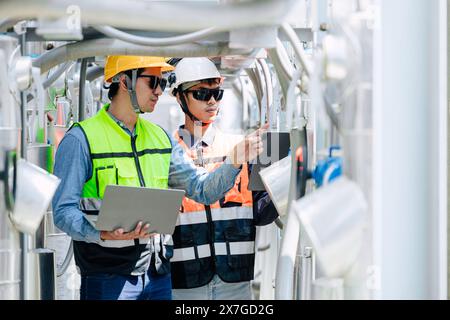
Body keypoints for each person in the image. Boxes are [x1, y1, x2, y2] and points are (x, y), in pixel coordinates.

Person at [51, 55, 265, 300]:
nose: (158, 91)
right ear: (124, 82)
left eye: (162, 83)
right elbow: (62, 211)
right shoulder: (81, 140)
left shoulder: (160, 139)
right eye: (152, 82)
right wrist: (101, 233)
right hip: (107, 276)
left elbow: (202, 189)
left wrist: (235, 160)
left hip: (157, 275)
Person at [168, 57, 278, 300]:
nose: (211, 101)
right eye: (201, 93)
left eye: (216, 93)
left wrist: (278, 168)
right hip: (184, 282)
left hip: (235, 281)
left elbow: (263, 214)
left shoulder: (241, 147)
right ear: (179, 97)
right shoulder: (166, 152)